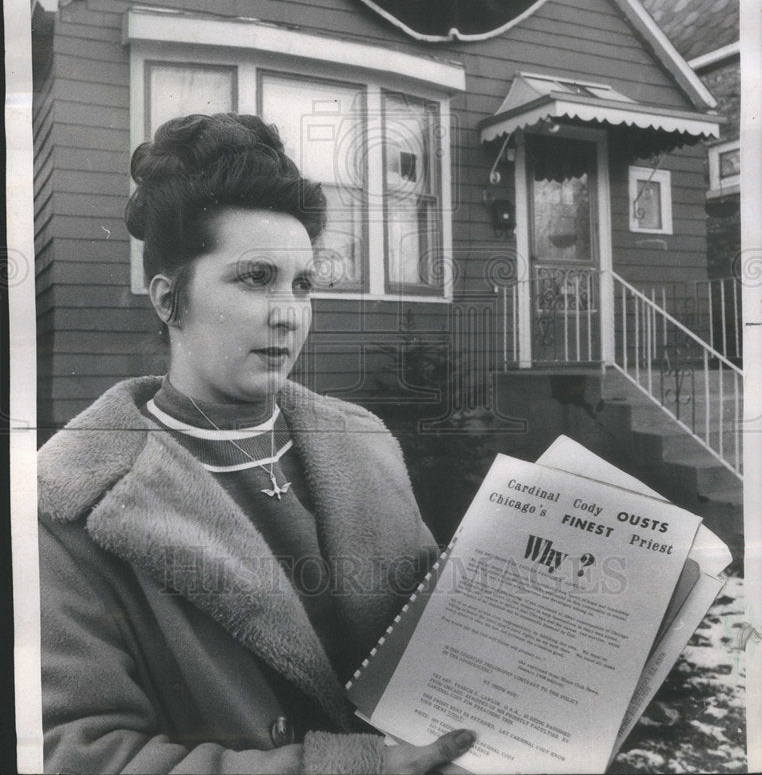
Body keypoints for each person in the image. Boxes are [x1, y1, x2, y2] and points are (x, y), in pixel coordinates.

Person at [37, 112, 476, 774]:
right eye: (254, 278)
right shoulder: (71, 505)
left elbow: (436, 654)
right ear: (167, 299)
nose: (288, 313)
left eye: (303, 285)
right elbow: (84, 755)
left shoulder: (365, 446)